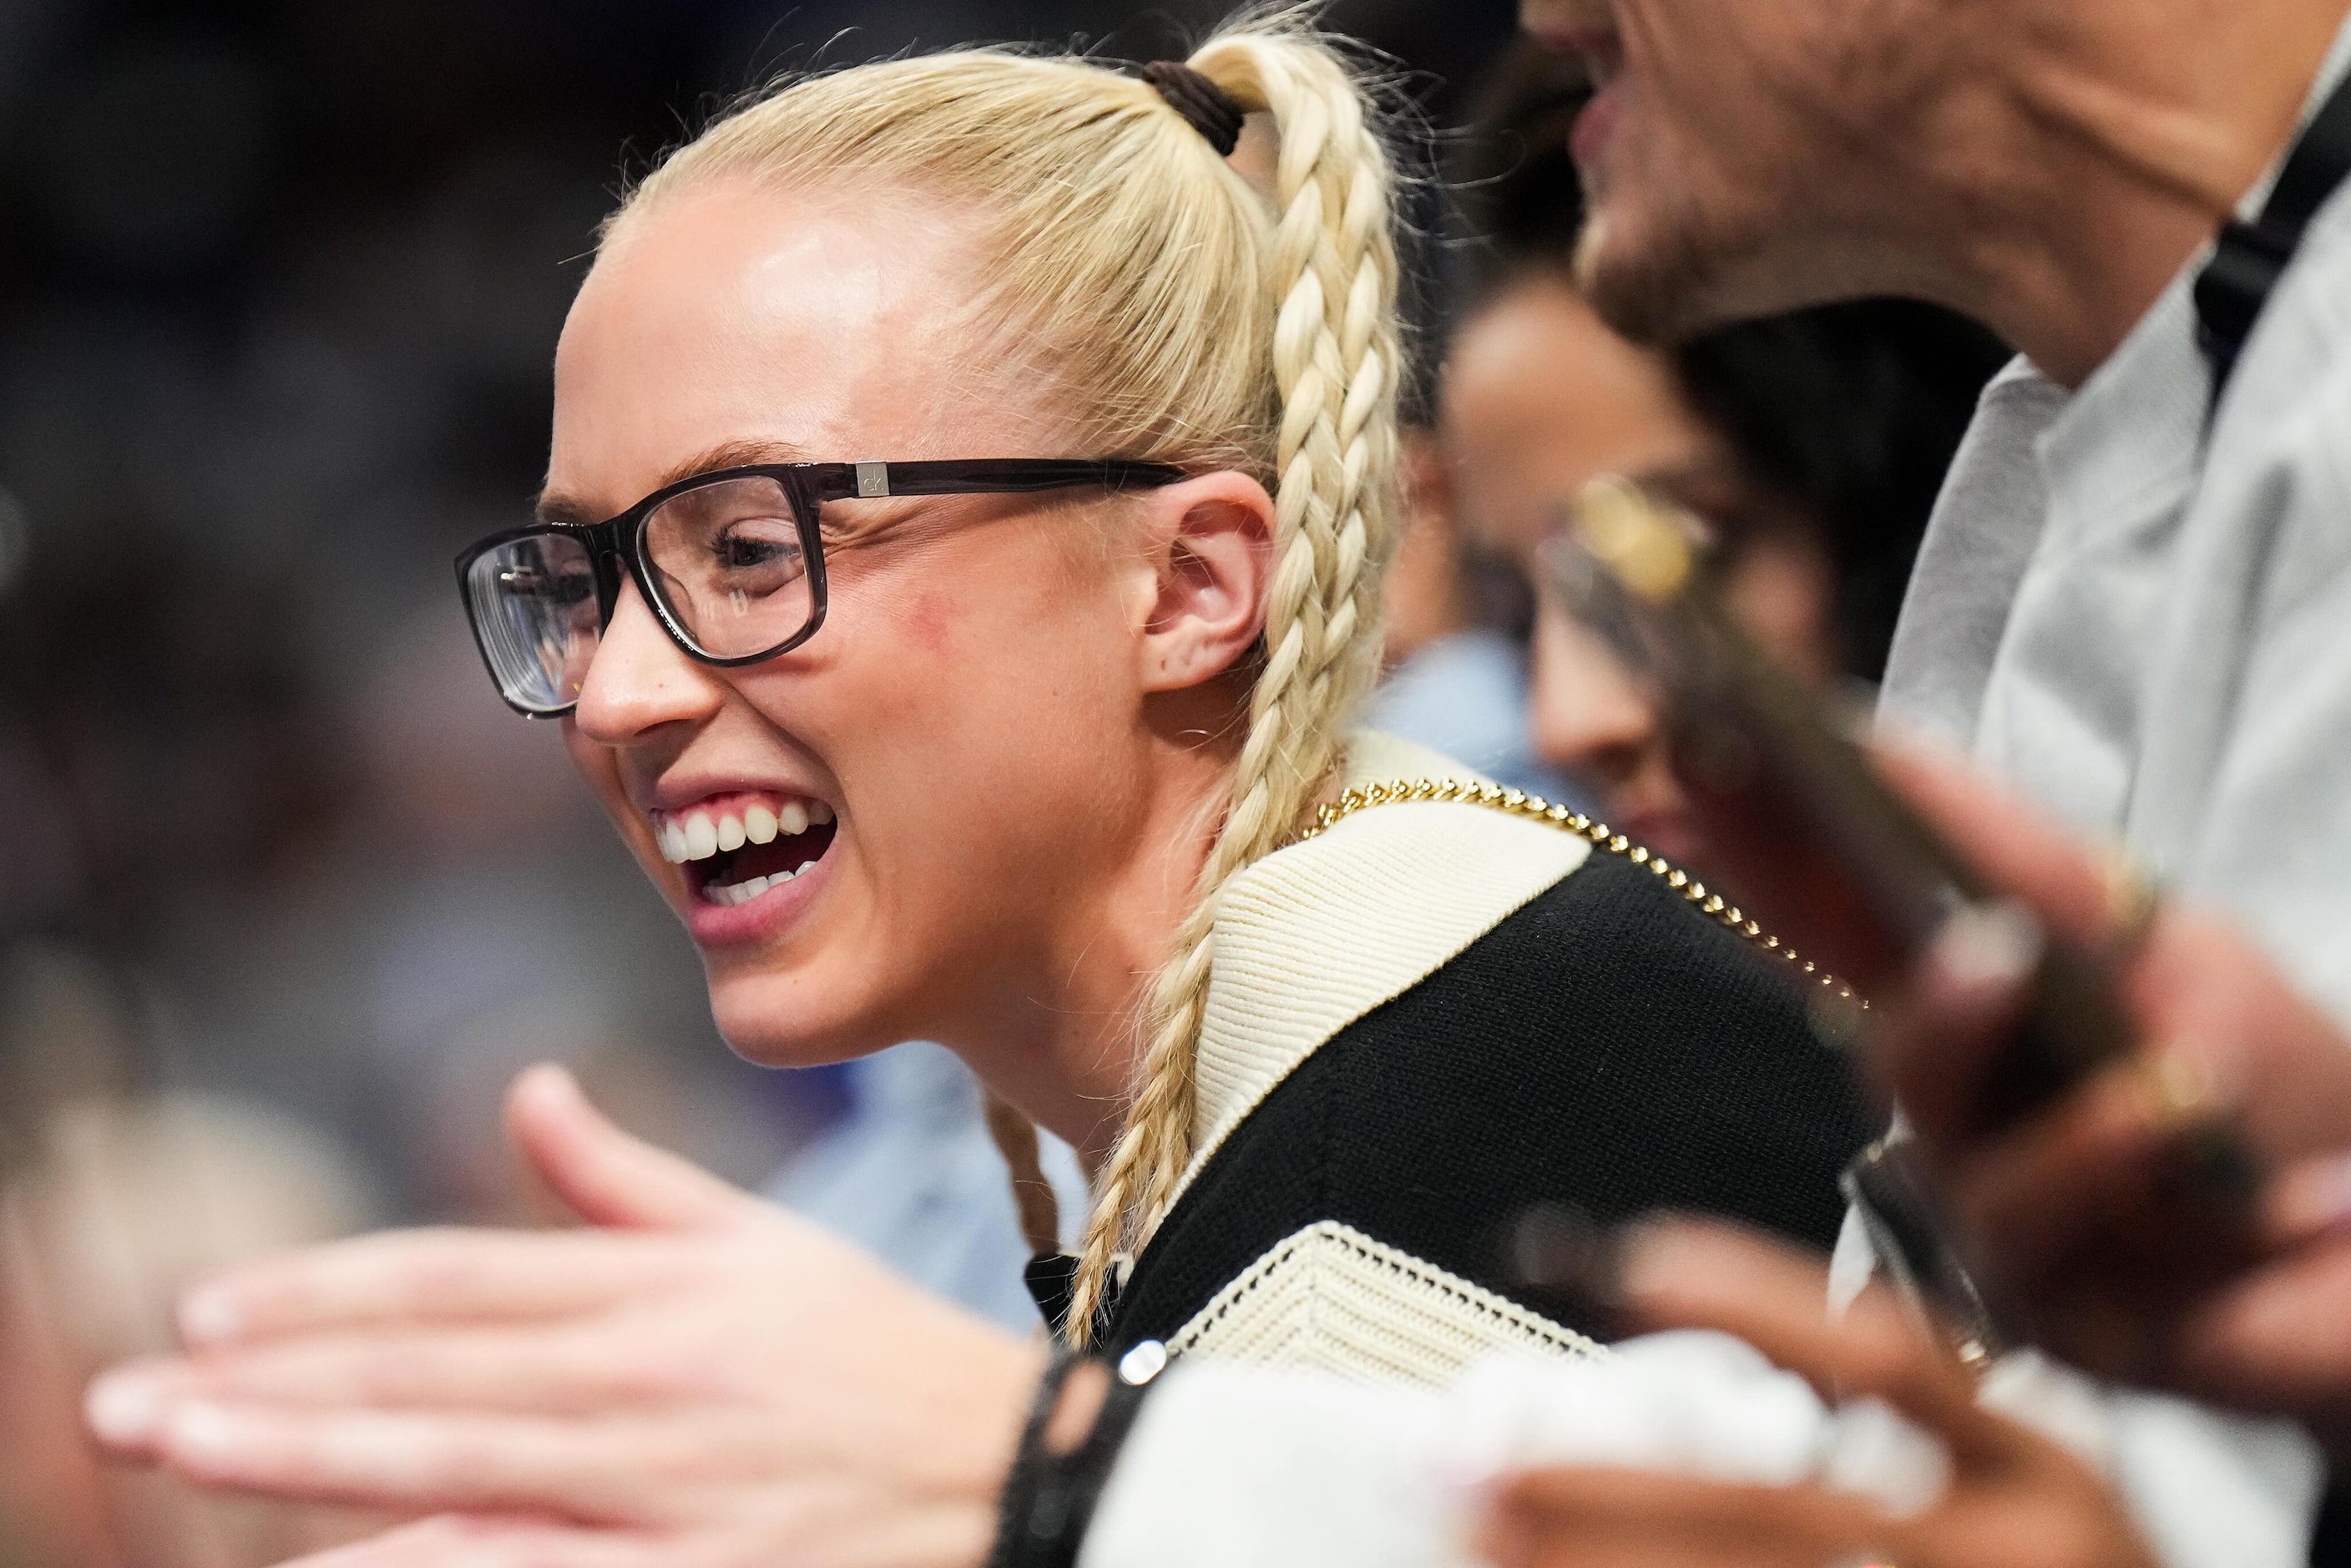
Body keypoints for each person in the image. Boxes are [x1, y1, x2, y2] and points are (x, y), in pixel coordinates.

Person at [83, 21, 1878, 1565]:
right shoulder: (1380, 1020)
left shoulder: (1444, 1171)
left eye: (751, 541)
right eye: (585, 581)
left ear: (1188, 587)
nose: (615, 695)